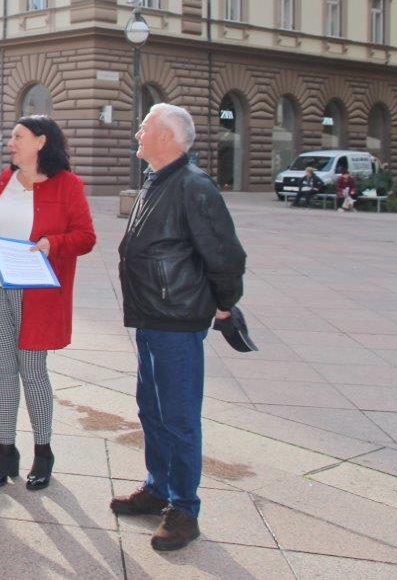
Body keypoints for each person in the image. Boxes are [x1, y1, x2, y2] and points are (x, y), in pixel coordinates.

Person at [113, 103, 247, 552]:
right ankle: (158, 488)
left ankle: (184, 509)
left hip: (177, 319)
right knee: (151, 408)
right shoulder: (158, 180)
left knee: (178, 415)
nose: (137, 133)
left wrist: (225, 304)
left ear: (167, 138)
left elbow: (226, 255)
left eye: (145, 127)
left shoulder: (194, 185)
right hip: (153, 316)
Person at [0, 116, 96, 490]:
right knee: (3, 367)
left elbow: (85, 237)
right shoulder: (4, 180)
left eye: (18, 137)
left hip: (35, 292)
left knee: (32, 370)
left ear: (41, 142)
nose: (10, 144)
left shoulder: (68, 186)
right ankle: (6, 450)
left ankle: (43, 451)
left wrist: (53, 243)